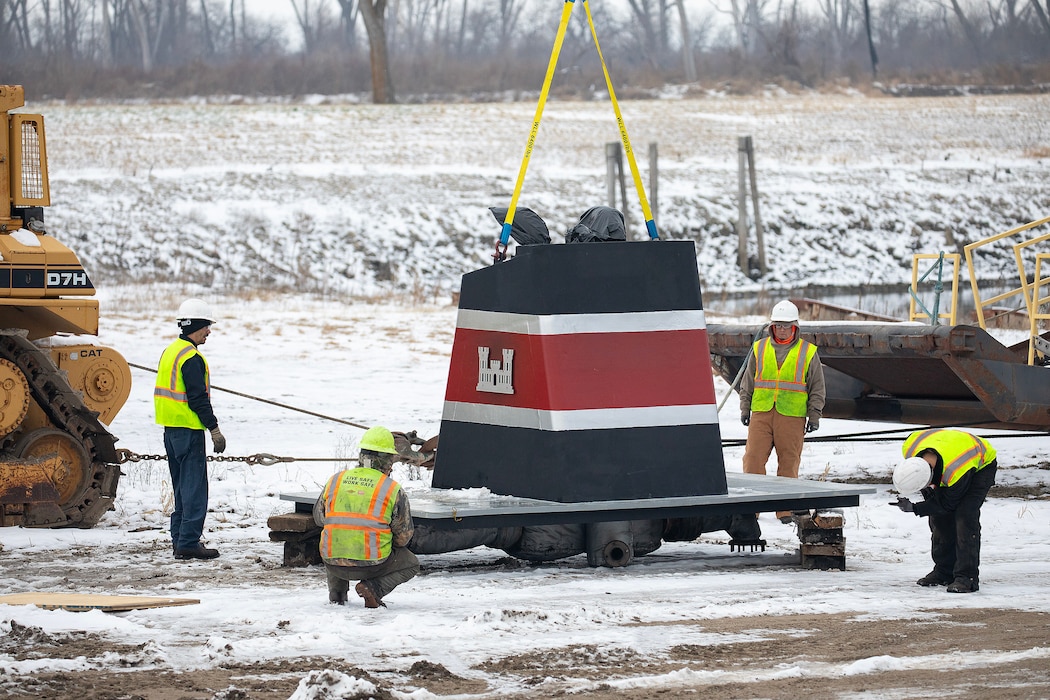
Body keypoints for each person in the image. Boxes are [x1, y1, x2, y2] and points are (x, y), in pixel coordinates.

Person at [739, 299, 826, 523]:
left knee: (788, 462)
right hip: (761, 412)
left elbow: (817, 386)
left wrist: (814, 414)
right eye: (778, 325)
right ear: (772, 326)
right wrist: (745, 407)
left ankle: (785, 510)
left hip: (792, 416)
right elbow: (747, 381)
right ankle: (751, 509)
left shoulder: (808, 352)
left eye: (787, 325)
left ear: (795, 327)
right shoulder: (759, 348)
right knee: (753, 460)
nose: (782, 329)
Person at [313, 426, 419, 609]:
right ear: (388, 460)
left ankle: (337, 595)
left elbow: (319, 519)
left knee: (336, 536)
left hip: (332, 563)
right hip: (372, 564)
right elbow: (403, 537)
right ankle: (373, 588)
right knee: (411, 564)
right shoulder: (392, 489)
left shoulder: (335, 480)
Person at [154, 298, 226, 560]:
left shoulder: (170, 351)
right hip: (189, 431)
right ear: (197, 325)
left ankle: (179, 540)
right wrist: (214, 429)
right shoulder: (191, 357)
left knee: (181, 489)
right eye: (207, 326)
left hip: (170, 431)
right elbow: (198, 399)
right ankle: (188, 542)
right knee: (194, 490)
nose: (209, 331)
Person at [890, 428, 998, 593]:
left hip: (981, 465)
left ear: (931, 475)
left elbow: (947, 504)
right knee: (938, 519)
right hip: (948, 448)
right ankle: (943, 571)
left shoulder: (956, 470)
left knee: (964, 517)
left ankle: (966, 577)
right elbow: (936, 504)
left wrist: (916, 508)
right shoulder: (910, 450)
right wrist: (926, 502)